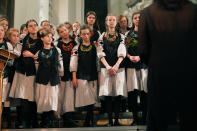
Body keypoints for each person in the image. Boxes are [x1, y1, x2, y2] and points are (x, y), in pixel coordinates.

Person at [138, 0, 197, 131]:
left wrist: (155, 63)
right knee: (190, 120)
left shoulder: (147, 13)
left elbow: (142, 50)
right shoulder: (193, 11)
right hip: (189, 75)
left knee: (158, 121)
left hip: (159, 74)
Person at [9, 19, 42, 128]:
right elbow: (17, 51)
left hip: (35, 72)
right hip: (22, 71)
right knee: (22, 97)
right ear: (27, 28)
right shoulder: (23, 39)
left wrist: (31, 55)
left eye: (34, 25)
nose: (33, 27)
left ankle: (33, 122)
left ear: (37, 27)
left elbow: (44, 55)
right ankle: (23, 122)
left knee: (32, 98)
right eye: (30, 26)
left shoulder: (41, 40)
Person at [97, 14, 127, 126]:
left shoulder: (121, 36)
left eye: (113, 20)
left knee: (118, 94)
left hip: (118, 68)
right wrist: (108, 66)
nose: (111, 21)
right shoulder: (102, 36)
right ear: (106, 22)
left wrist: (116, 65)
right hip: (106, 68)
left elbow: (122, 50)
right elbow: (99, 52)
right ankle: (110, 120)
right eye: (109, 20)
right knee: (108, 94)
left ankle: (117, 120)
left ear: (116, 22)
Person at [70, 25, 99, 127]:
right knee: (86, 98)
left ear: (90, 34)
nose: (86, 36)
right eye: (83, 34)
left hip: (93, 75)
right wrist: (74, 77)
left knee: (92, 98)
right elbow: (73, 63)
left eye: (87, 33)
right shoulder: (76, 48)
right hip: (81, 75)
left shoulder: (95, 46)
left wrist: (99, 75)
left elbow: (98, 62)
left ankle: (89, 121)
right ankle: (88, 121)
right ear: (80, 35)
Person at [34, 27, 63, 128]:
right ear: (42, 38)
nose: (50, 38)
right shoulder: (39, 52)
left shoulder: (56, 50)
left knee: (52, 99)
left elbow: (60, 65)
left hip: (53, 78)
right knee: (43, 98)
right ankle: (44, 120)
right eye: (47, 36)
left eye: (51, 36)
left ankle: (51, 119)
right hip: (42, 79)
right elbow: (36, 66)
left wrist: (60, 75)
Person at [125, 12, 148, 125]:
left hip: (144, 65)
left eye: (139, 18)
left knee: (145, 92)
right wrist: (130, 57)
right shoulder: (128, 34)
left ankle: (144, 117)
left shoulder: (146, 33)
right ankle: (134, 117)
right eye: (135, 18)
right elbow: (125, 50)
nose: (138, 19)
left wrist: (140, 57)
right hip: (131, 67)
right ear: (132, 20)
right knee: (133, 93)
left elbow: (150, 48)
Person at [55, 24, 78, 127]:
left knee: (69, 97)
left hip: (71, 73)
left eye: (65, 30)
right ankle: (58, 118)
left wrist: (75, 75)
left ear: (68, 30)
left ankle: (68, 119)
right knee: (60, 97)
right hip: (60, 74)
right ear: (59, 34)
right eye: (61, 32)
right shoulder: (56, 44)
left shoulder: (74, 43)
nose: (64, 33)